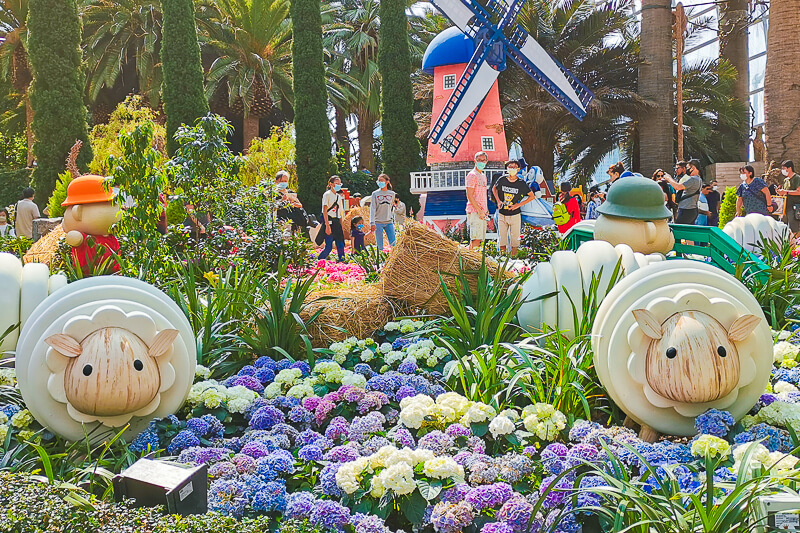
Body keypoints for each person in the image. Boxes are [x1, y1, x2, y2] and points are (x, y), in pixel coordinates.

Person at [491, 159, 534, 256]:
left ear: (518, 169)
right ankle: (502, 259)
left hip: (515, 214)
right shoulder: (502, 179)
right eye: (510, 167)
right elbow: (494, 188)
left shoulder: (521, 183)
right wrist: (498, 201)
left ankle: (513, 258)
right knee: (502, 239)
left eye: (514, 167)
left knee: (515, 240)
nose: (512, 169)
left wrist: (518, 205)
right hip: (502, 213)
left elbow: (532, 196)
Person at [663, 159, 702, 224]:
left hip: (686, 209)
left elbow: (678, 187)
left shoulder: (693, 179)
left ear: (693, 168)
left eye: (688, 168)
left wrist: (668, 178)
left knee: (678, 229)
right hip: (691, 209)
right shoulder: (699, 179)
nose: (686, 170)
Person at [466, 151, 490, 249]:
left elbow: (483, 194)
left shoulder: (483, 176)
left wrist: (485, 210)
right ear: (475, 161)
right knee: (475, 239)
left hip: (482, 211)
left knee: (479, 239)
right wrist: (479, 211)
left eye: (483, 160)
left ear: (486, 161)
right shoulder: (472, 175)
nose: (481, 162)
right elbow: (469, 195)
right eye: (479, 160)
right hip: (475, 211)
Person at [319, 176, 347, 261]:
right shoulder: (327, 195)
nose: (338, 185)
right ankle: (320, 259)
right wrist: (327, 226)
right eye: (336, 183)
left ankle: (342, 260)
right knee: (329, 246)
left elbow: (340, 213)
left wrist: (341, 226)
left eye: (340, 184)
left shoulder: (339, 197)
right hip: (329, 220)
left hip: (336, 221)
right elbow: (325, 210)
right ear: (331, 184)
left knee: (340, 244)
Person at [274, 170, 308, 235]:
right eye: (282, 181)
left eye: (285, 181)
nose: (284, 183)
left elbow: (300, 205)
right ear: (276, 181)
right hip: (281, 223)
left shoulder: (290, 193)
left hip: (293, 223)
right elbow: (272, 207)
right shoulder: (273, 194)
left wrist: (293, 203)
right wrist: (282, 200)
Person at [370, 174, 397, 252]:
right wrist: (372, 222)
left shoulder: (392, 194)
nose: (380, 182)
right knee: (379, 245)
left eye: (382, 181)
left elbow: (392, 207)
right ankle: (379, 261)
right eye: (379, 181)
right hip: (378, 222)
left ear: (387, 182)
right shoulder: (375, 194)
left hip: (389, 221)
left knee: (393, 243)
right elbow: (373, 208)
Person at [778, 160, 800, 233]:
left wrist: (786, 192)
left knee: (794, 228)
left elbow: (798, 192)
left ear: (790, 168)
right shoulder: (785, 180)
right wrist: (780, 192)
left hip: (794, 207)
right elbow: (785, 193)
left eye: (784, 168)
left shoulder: (797, 178)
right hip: (785, 207)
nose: (783, 170)